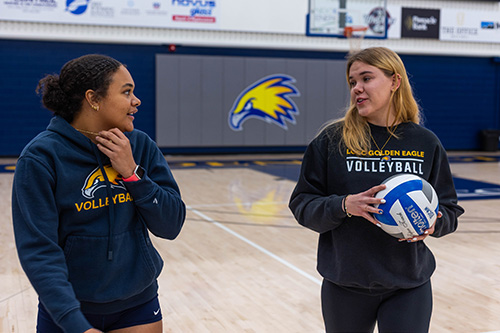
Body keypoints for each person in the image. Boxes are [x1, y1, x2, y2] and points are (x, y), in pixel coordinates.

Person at [289, 47, 464, 333]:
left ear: (395, 81)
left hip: (408, 285)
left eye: (366, 78)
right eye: (352, 82)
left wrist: (435, 221)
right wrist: (344, 205)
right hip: (345, 284)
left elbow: (450, 209)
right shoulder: (332, 140)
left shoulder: (425, 143)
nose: (357, 88)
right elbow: (302, 205)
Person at [11, 54, 186, 333]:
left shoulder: (139, 145)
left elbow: (171, 224)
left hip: (138, 305)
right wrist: (74, 323)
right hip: (68, 311)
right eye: (126, 92)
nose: (136, 101)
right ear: (93, 98)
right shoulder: (41, 158)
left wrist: (132, 173)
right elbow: (39, 251)